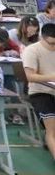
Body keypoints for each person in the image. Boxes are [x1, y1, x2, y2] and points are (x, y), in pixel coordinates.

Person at [22, 22, 55, 161]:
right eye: (51, 44)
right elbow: (30, 76)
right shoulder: (31, 51)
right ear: (42, 37)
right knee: (52, 129)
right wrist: (52, 77)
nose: (53, 47)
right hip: (40, 92)